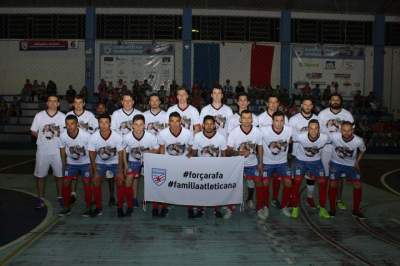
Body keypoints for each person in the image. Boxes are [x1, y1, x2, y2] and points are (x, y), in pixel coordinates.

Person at [318, 93, 354, 211]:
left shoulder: (347, 114)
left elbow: (352, 132)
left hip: (340, 148)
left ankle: (338, 200)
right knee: (325, 175)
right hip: (326, 147)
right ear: (329, 101)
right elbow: (317, 131)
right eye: (333, 99)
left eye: (337, 100)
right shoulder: (322, 114)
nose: (335, 101)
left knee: (340, 175)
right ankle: (322, 200)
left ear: (341, 101)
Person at [30, 95, 66, 208]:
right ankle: (40, 198)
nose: (52, 103)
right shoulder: (39, 115)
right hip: (42, 151)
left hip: (57, 151)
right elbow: (33, 131)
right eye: (50, 101)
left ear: (58, 104)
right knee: (40, 176)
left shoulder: (62, 116)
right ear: (47, 103)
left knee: (59, 176)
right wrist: (43, 138)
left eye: (55, 101)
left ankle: (60, 197)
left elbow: (65, 133)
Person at [227, 110, 263, 220]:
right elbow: (228, 151)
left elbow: (260, 147)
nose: (247, 120)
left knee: (256, 181)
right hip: (237, 163)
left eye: (249, 118)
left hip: (252, 163)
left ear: (252, 120)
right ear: (240, 119)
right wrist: (239, 153)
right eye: (244, 118)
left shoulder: (257, 132)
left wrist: (261, 163)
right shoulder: (234, 132)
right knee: (233, 184)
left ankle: (253, 202)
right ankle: (230, 206)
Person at [291, 119, 330, 219]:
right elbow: (289, 138)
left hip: (316, 162)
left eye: (316, 128)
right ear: (307, 129)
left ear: (319, 129)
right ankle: (295, 207)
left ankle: (322, 208)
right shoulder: (300, 136)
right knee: (297, 181)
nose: (313, 131)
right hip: (301, 161)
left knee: (322, 182)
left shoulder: (325, 138)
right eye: (311, 128)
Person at [190, 115, 227, 218]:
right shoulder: (197, 136)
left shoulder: (221, 138)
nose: (209, 126)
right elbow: (193, 153)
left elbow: (224, 154)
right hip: (201, 167)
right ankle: (200, 208)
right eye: (207, 124)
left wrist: (226, 168)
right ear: (203, 125)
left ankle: (216, 208)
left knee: (216, 189)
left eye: (211, 124)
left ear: (215, 125)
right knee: (201, 189)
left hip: (216, 168)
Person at [156, 112, 193, 217]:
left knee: (187, 186)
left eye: (177, 121)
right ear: (169, 122)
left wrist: (189, 160)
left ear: (180, 121)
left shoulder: (188, 133)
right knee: (167, 187)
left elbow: (191, 149)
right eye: (172, 121)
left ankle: (190, 207)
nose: (175, 123)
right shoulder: (162, 133)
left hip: (183, 163)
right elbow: (162, 150)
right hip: (168, 163)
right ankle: (165, 206)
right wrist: (162, 165)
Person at [226, 92, 258, 209]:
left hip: (250, 156)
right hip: (236, 157)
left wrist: (251, 151)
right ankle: (232, 202)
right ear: (237, 102)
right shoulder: (232, 119)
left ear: (248, 102)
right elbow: (229, 137)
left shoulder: (254, 118)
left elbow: (256, 138)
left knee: (251, 181)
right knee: (235, 181)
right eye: (241, 100)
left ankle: (249, 199)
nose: (243, 102)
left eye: (245, 100)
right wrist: (235, 152)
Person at [88, 114, 124, 217]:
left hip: (114, 162)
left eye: (106, 122)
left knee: (120, 180)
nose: (103, 125)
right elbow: (91, 153)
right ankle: (98, 208)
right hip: (100, 162)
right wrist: (95, 172)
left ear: (110, 123)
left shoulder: (117, 136)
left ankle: (120, 207)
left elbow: (121, 153)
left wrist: (120, 171)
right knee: (95, 181)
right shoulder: (93, 137)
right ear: (98, 123)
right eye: (101, 122)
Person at [328, 121, 366, 219]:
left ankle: (356, 210)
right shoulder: (333, 136)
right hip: (335, 163)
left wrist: (357, 162)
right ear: (340, 130)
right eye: (344, 130)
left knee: (358, 185)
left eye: (349, 130)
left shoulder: (358, 140)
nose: (346, 133)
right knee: (332, 184)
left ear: (352, 130)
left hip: (350, 165)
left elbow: (362, 150)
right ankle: (332, 209)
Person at [65, 95, 99, 204]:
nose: (78, 105)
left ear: (84, 103)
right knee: (72, 176)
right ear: (73, 104)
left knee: (88, 177)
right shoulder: (68, 115)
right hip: (72, 149)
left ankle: (91, 198)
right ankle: (73, 194)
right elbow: (64, 133)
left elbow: (95, 130)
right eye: (76, 102)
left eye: (80, 102)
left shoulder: (90, 115)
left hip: (86, 149)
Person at [259, 111, 293, 220]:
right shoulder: (263, 130)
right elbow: (258, 145)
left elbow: (292, 142)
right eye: (276, 120)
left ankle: (284, 206)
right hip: (267, 162)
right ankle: (265, 206)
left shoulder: (289, 130)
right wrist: (260, 162)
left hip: (282, 162)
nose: (279, 123)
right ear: (272, 121)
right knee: (265, 183)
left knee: (288, 182)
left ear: (284, 121)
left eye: (281, 120)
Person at [123, 114, 159, 211]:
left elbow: (157, 150)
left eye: (141, 124)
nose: (138, 127)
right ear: (132, 125)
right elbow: (123, 151)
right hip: (133, 160)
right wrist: (125, 165)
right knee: (129, 179)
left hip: (148, 160)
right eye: (136, 124)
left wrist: (148, 152)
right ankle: (131, 199)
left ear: (144, 125)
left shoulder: (151, 137)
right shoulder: (127, 137)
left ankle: (152, 198)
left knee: (153, 180)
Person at [257, 95, 288, 208]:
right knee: (265, 181)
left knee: (277, 179)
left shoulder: (284, 118)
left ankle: (274, 199)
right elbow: (258, 139)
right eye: (271, 102)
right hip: (266, 156)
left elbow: (286, 137)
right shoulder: (260, 118)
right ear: (267, 104)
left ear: (278, 104)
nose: (273, 104)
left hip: (280, 156)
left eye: (275, 102)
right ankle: (264, 203)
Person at [58, 115, 92, 217]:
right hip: (71, 163)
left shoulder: (86, 135)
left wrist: (92, 165)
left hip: (85, 163)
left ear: (77, 124)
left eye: (72, 124)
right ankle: (66, 207)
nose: (70, 126)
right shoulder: (63, 136)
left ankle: (89, 206)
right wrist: (64, 166)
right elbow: (62, 151)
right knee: (66, 182)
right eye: (67, 124)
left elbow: (91, 151)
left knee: (86, 182)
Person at [288, 96, 318, 209]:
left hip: (312, 155)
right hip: (297, 154)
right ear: (301, 106)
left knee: (311, 178)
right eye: (305, 104)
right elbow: (290, 137)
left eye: (310, 105)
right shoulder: (294, 119)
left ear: (312, 106)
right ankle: (292, 198)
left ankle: (310, 198)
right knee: (295, 178)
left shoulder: (317, 118)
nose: (307, 107)